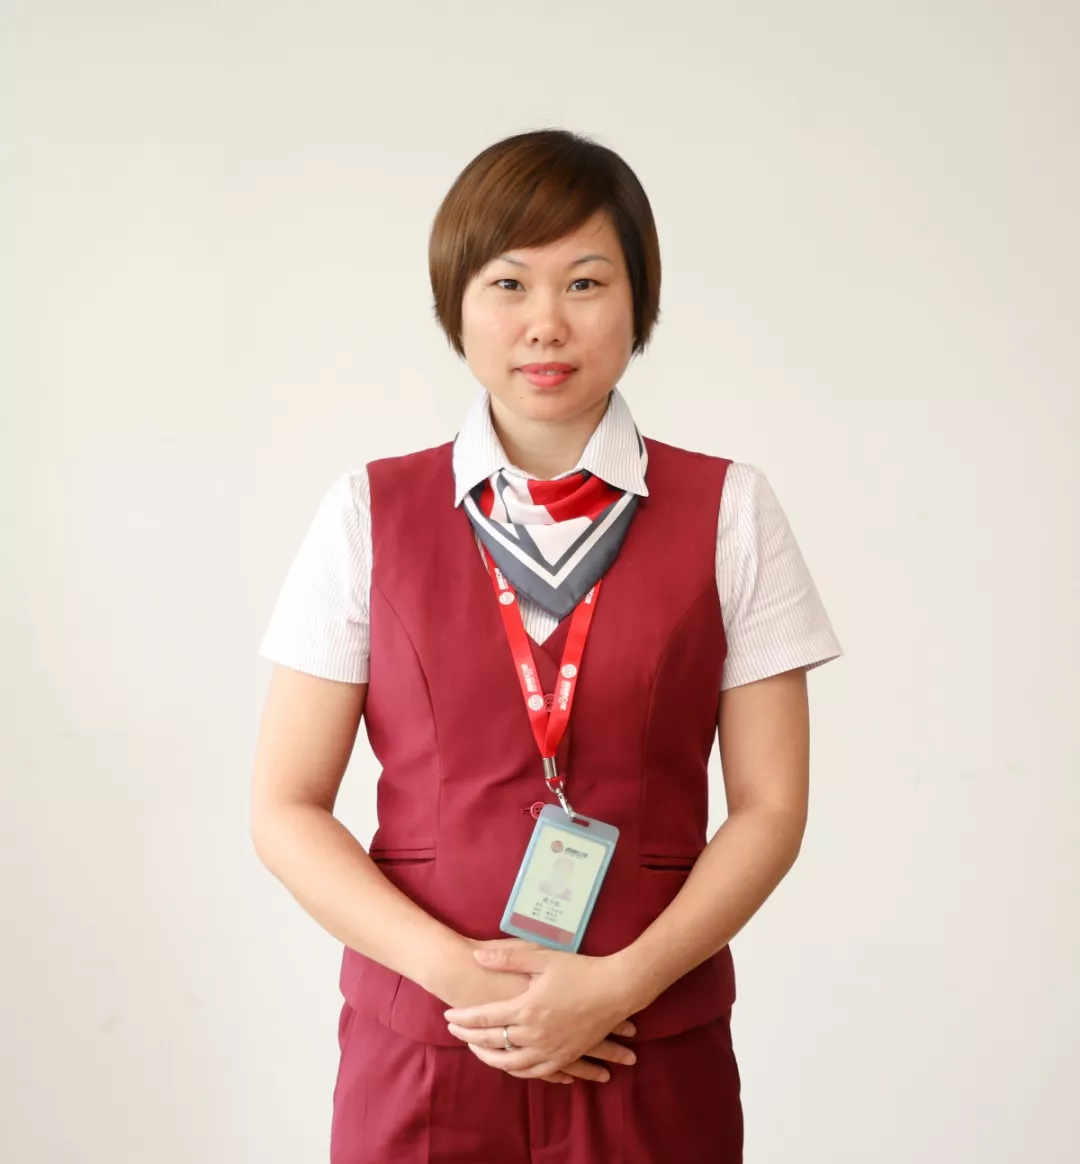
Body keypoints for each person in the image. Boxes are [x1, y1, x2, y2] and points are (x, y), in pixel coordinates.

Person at [251, 128, 842, 1164]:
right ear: (457, 304)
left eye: (585, 283)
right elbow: (285, 807)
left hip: (647, 1042)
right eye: (508, 283)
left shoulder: (731, 511)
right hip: (424, 1045)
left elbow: (771, 808)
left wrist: (619, 983)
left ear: (639, 301)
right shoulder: (366, 513)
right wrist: (456, 976)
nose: (546, 323)